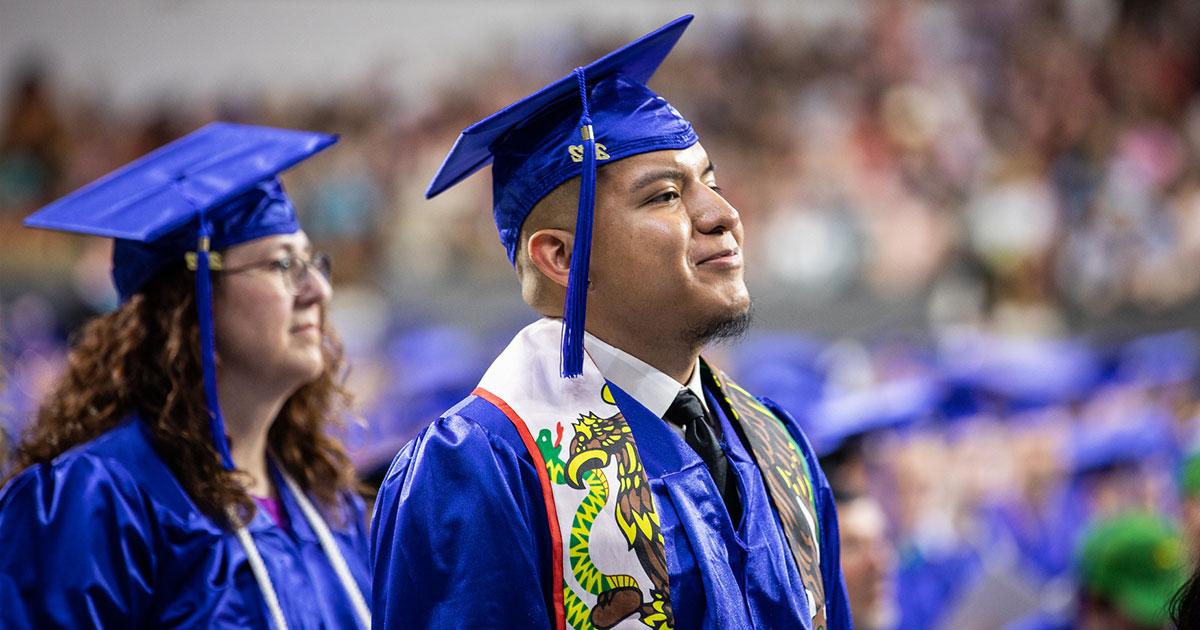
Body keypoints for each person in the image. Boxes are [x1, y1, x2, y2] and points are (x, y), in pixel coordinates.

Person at [370, 15, 851, 630]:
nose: (724, 214)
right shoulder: (484, 469)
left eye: (711, 182)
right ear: (562, 258)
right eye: (665, 196)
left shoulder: (777, 443)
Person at [0, 122, 371, 629]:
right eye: (283, 264)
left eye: (313, 262)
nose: (317, 291)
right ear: (191, 307)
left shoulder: (327, 502)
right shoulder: (99, 503)